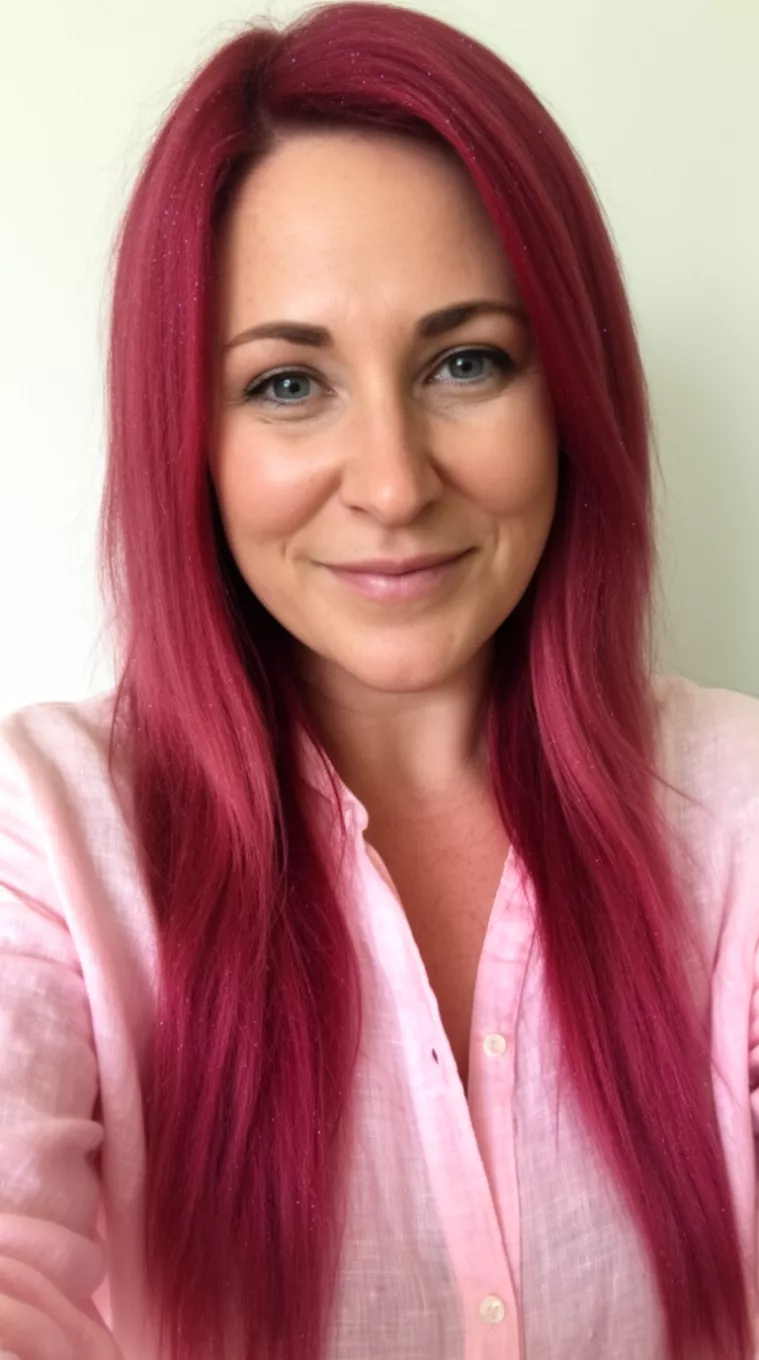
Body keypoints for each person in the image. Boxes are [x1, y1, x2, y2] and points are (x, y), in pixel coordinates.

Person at [0, 2, 757, 1358]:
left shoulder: (740, 810)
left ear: (569, 392)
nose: (396, 485)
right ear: (193, 438)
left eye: (465, 362)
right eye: (288, 384)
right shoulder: (45, 839)